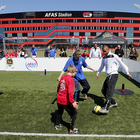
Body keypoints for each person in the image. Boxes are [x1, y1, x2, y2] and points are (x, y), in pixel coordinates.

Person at [96, 45, 132, 114]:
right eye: (103, 51)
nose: (104, 52)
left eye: (105, 51)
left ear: (108, 49)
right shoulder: (103, 57)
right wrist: (97, 73)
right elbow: (101, 66)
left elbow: (122, 64)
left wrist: (127, 72)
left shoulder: (114, 56)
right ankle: (113, 102)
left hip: (114, 74)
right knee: (103, 90)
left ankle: (106, 108)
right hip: (109, 75)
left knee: (109, 90)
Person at [55, 65, 80, 134]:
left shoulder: (63, 77)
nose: (75, 74)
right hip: (65, 100)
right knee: (74, 113)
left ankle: (57, 125)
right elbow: (70, 92)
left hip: (59, 99)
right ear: (73, 72)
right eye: (75, 72)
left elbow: (58, 87)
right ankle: (71, 130)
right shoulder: (71, 80)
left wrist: (58, 94)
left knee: (60, 111)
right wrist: (73, 102)